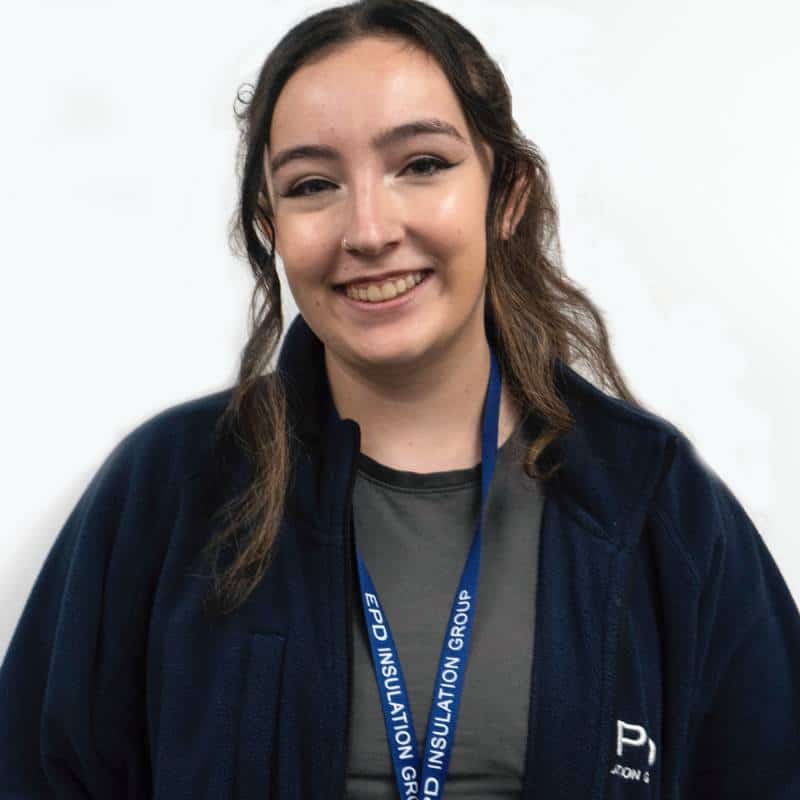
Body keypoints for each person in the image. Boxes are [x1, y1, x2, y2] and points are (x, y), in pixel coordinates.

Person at [1, 0, 799, 797]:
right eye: (313, 184)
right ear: (270, 224)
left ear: (507, 192)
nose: (370, 229)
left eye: (421, 164)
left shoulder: (650, 500)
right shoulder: (171, 489)